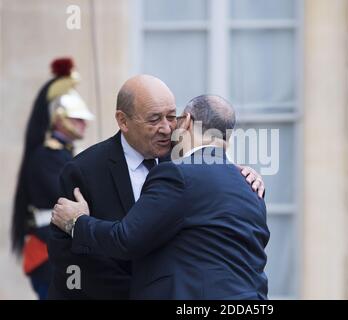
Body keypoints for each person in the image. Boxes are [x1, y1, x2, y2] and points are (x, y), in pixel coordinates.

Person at [47, 75, 265, 299]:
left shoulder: (185, 160)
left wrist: (244, 176)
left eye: (172, 117)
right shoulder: (85, 169)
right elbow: (67, 257)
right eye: (154, 119)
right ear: (123, 121)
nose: (166, 129)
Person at [11, 58, 94, 300]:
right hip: (48, 249)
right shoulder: (47, 155)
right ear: (59, 118)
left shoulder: (62, 153)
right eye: (77, 118)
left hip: (59, 246)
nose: (84, 123)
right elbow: (66, 195)